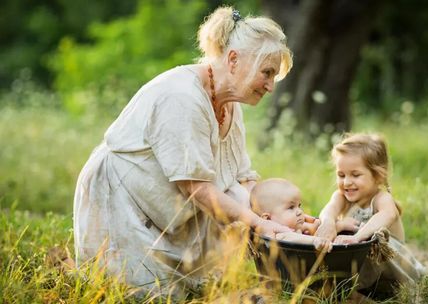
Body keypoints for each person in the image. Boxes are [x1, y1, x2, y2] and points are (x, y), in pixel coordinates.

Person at [73, 6, 293, 298]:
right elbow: (195, 188)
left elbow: (240, 179)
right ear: (233, 59)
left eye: (273, 77)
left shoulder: (230, 103)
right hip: (124, 200)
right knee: (144, 296)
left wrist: (277, 216)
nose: (269, 86)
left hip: (168, 209)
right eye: (266, 73)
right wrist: (257, 223)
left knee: (198, 291)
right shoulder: (182, 97)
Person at [315, 133, 426, 293]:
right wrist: (328, 223)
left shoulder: (381, 199)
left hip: (391, 270)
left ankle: (361, 290)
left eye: (355, 175)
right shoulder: (341, 197)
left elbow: (388, 215)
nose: (346, 182)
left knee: (373, 242)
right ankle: (349, 289)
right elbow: (328, 210)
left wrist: (357, 237)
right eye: (341, 175)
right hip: (361, 268)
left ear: (377, 176)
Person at [250, 178, 333, 252]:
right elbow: (292, 238)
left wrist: (316, 225)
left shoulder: (293, 227)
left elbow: (307, 228)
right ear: (268, 219)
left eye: (299, 206)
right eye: (291, 207)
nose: (300, 211)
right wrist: (314, 241)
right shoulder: (278, 235)